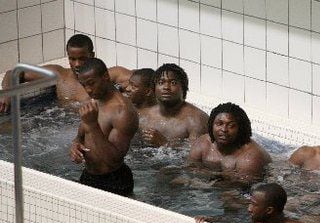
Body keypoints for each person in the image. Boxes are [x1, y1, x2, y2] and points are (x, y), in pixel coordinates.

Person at [69, 58, 138, 196]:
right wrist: (75, 146)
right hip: (89, 175)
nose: (88, 90)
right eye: (84, 85)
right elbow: (80, 137)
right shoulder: (95, 101)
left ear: (105, 76)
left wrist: (93, 124)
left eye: (91, 83)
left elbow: (113, 160)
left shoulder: (123, 111)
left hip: (114, 181)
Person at [0, 34, 95, 112]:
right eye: (72, 59)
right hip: (55, 122)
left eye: (82, 59)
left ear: (92, 56)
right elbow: (13, 73)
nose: (77, 64)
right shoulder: (59, 75)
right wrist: (7, 93)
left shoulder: (100, 79)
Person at [189, 102, 271, 184]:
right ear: (211, 125)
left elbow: (240, 188)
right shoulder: (203, 143)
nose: (224, 129)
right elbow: (189, 170)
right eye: (219, 124)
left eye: (231, 126)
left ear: (240, 129)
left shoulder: (249, 158)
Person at [139, 63, 208, 147]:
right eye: (161, 82)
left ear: (183, 88)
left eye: (173, 83)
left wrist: (165, 144)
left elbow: (195, 156)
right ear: (154, 88)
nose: (166, 87)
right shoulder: (143, 116)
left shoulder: (196, 121)